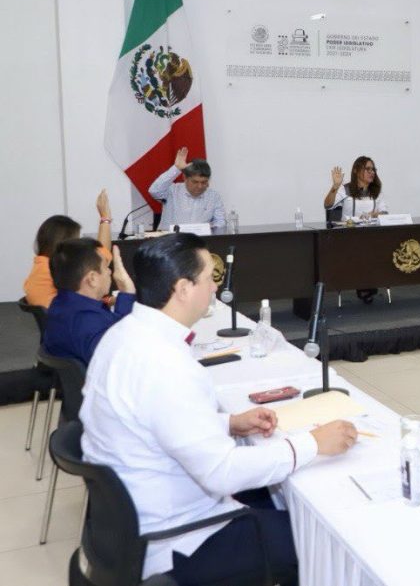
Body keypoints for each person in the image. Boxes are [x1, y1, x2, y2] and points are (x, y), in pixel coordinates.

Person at [80, 233, 359, 584]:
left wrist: (229, 422)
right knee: (325, 540)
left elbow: (156, 419)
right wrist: (312, 443)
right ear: (183, 289)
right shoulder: (165, 364)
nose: (215, 288)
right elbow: (222, 472)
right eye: (208, 278)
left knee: (278, 501)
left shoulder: (124, 335)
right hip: (180, 540)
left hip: (129, 522)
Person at [43, 239, 135, 367]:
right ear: (92, 279)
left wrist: (126, 295)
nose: (110, 272)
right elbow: (121, 358)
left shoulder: (62, 303)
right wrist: (127, 293)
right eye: (106, 267)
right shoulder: (85, 320)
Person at [24, 190, 114, 308]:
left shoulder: (40, 268)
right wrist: (105, 218)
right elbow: (101, 257)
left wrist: (108, 300)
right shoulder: (59, 271)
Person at [149, 147, 226, 228]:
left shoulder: (213, 196)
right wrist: (176, 169)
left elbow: (220, 222)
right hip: (170, 236)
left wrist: (210, 228)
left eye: (204, 182)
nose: (199, 186)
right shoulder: (172, 191)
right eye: (195, 182)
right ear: (185, 178)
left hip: (200, 236)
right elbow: (154, 191)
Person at [324, 156, 388, 219]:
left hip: (372, 226)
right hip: (349, 226)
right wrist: (335, 186)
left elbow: (384, 212)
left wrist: (375, 215)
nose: (372, 172)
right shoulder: (345, 189)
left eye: (373, 169)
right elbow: (328, 205)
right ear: (356, 170)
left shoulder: (376, 191)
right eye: (368, 169)